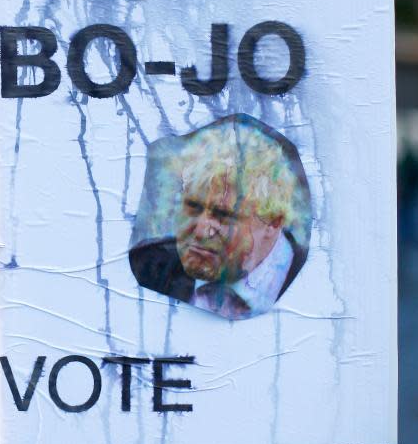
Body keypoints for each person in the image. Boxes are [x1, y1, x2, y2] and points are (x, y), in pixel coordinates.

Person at [129, 116, 308, 319]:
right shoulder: (145, 267)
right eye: (193, 207)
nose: (200, 230)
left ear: (273, 222)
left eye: (224, 216)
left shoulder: (316, 289)